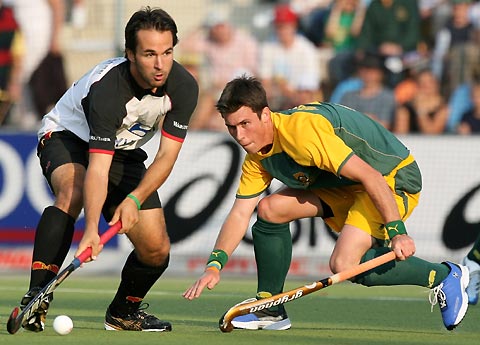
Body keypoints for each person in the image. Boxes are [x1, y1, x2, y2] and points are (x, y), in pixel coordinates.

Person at [183, 76, 469, 332]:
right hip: (349, 186)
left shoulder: (302, 133)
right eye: (232, 128)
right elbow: (240, 213)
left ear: (266, 115)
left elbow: (371, 176)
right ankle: (270, 307)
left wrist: (397, 231)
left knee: (344, 263)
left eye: (245, 124)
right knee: (270, 209)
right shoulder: (257, 156)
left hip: (391, 178)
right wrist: (215, 264)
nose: (240, 136)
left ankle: (445, 275)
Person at [16, 6, 198, 332]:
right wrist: (90, 232)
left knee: (156, 249)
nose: (160, 64)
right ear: (130, 54)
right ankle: (37, 293)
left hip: (123, 153)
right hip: (68, 136)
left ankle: (123, 312)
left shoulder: (184, 86)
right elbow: (97, 169)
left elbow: (166, 156)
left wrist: (135, 199)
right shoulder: (109, 91)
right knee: (73, 192)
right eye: (149, 54)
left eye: (168, 52)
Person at [7, 0, 65, 130]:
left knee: (40, 95)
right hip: (13, 48)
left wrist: (54, 41)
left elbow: (57, 6)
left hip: (38, 46)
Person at [259, 4, 322, 110]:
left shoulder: (306, 48)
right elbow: (265, 80)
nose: (282, 30)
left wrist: (293, 94)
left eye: (285, 26)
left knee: (306, 99)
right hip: (276, 96)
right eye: (279, 26)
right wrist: (282, 90)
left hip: (300, 96)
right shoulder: (268, 47)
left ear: (294, 26)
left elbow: (311, 85)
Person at [339, 52, 396, 130]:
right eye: (364, 70)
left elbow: (384, 126)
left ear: (381, 73)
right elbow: (343, 123)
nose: (367, 74)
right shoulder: (348, 96)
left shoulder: (387, 97)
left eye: (372, 71)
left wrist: (358, 119)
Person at [393, 68, 449, 134]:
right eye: (422, 83)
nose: (426, 86)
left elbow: (432, 134)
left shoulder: (442, 108)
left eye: (430, 82)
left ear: (437, 85)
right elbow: (401, 134)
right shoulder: (406, 108)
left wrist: (421, 111)